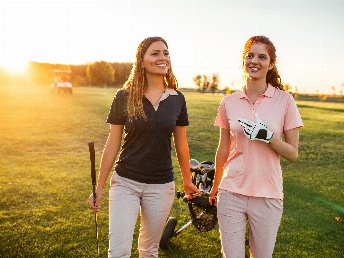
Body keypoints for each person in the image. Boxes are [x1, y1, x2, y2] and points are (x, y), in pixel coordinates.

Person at [89, 36, 201, 258]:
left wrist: (188, 181)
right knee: (118, 252)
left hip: (161, 186)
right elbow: (113, 143)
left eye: (165, 53)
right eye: (155, 53)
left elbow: (181, 143)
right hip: (125, 182)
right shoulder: (124, 96)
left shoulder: (178, 98)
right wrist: (99, 186)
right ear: (141, 61)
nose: (162, 58)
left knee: (149, 251)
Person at [209, 35, 303, 258]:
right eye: (250, 56)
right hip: (231, 191)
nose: (255, 61)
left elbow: (293, 153)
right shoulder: (229, 102)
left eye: (262, 57)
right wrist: (215, 186)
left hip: (267, 194)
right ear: (244, 60)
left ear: (271, 64)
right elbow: (223, 149)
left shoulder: (285, 100)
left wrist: (268, 137)